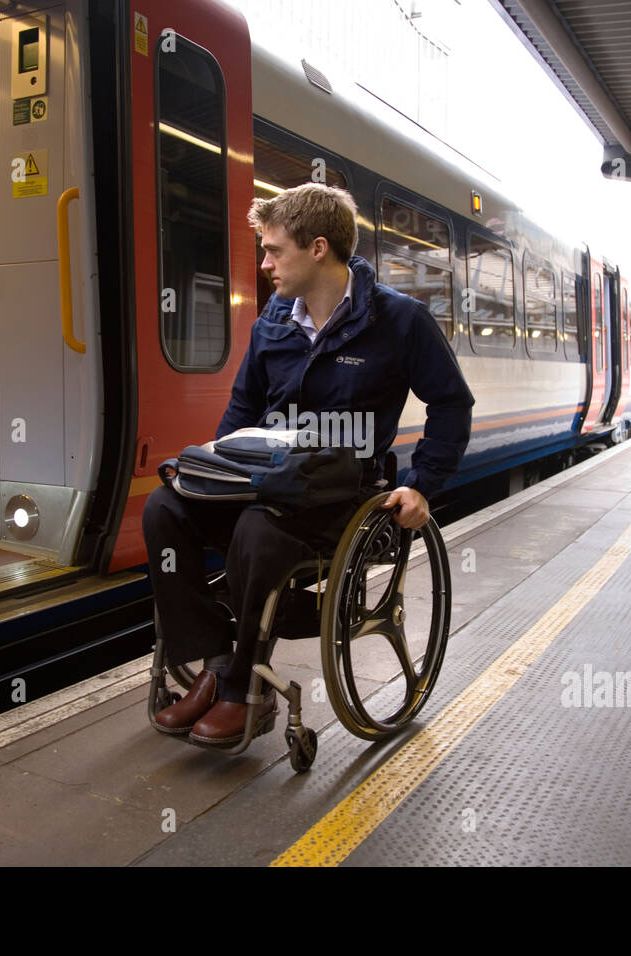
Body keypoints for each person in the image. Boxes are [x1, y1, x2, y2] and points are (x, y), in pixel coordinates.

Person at [142, 183, 474, 747]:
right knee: (164, 508)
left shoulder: (398, 320)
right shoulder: (273, 318)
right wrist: (216, 475)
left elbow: (451, 403)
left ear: (318, 248)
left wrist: (422, 485)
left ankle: (246, 687)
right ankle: (218, 663)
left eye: (274, 250)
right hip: (265, 479)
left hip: (340, 497)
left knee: (257, 530)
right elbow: (245, 408)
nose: (265, 263)